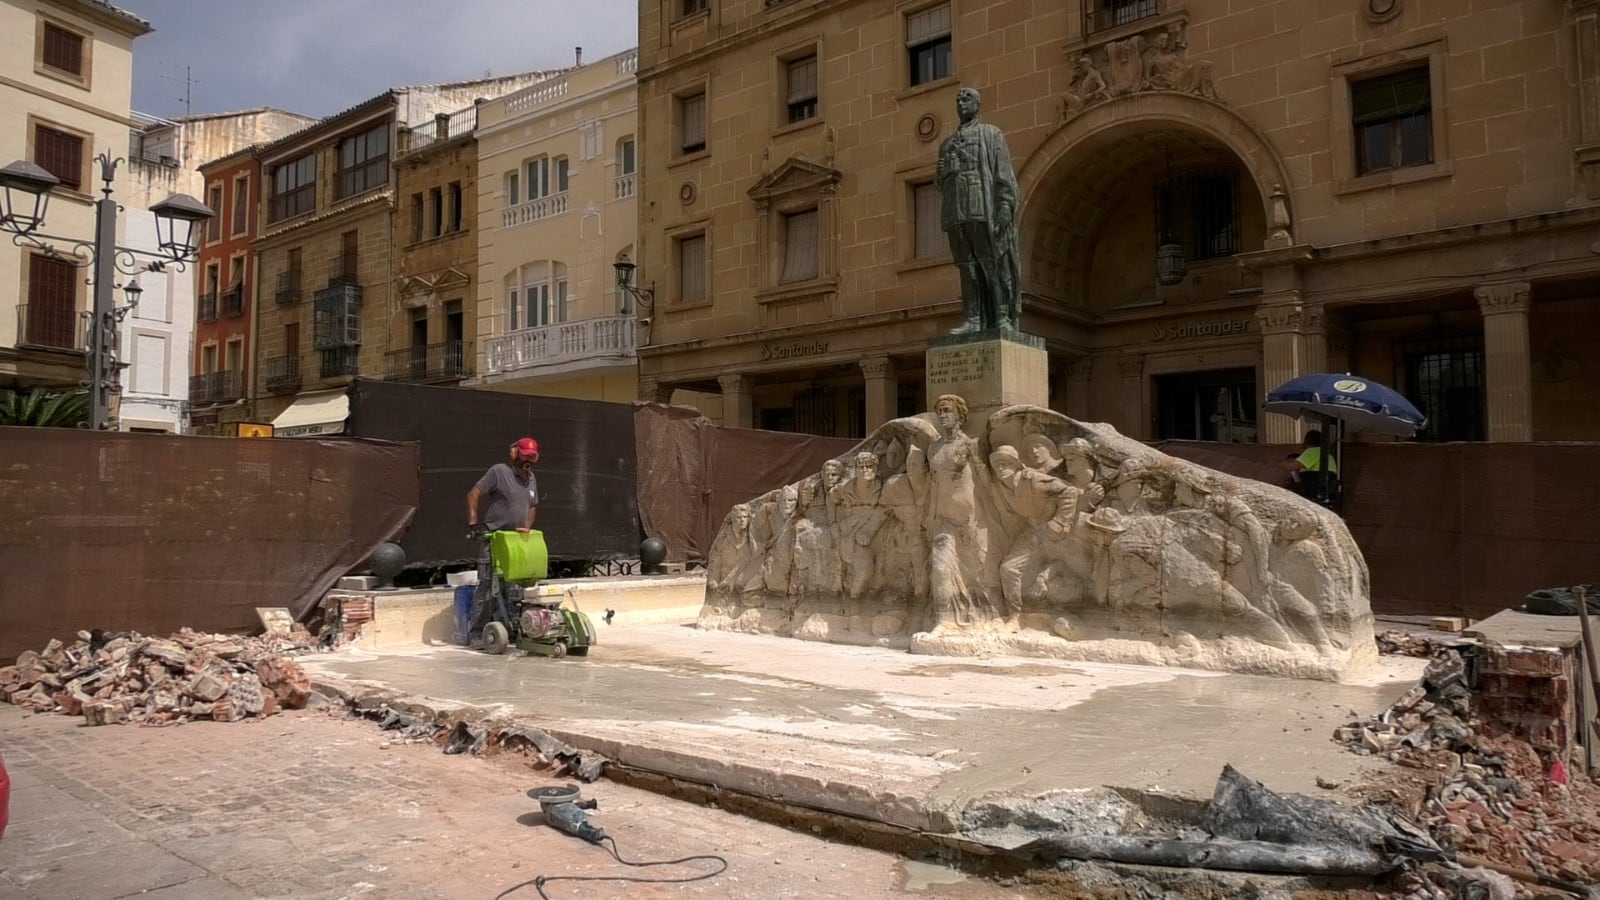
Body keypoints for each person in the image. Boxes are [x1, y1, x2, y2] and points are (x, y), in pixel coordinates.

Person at [936, 87, 1022, 334]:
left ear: (978, 105)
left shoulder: (991, 135)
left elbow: (1003, 173)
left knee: (991, 264)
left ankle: (1001, 316)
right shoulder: (947, 144)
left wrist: (1005, 206)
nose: (962, 103)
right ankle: (973, 318)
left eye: (967, 99)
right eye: (958, 100)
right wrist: (945, 173)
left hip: (982, 211)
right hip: (956, 213)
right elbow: (939, 183)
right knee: (967, 266)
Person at [464, 437, 540, 647]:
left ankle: (507, 628)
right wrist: (473, 525)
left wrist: (527, 527)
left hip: (515, 541)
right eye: (524, 456)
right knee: (487, 585)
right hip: (494, 538)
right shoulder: (499, 471)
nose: (528, 462)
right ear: (515, 453)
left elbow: (532, 505)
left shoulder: (531, 478)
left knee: (513, 586)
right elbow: (473, 493)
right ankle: (477, 633)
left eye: (532, 458)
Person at [1285, 429, 1338, 501]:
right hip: (1326, 489)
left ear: (1307, 443)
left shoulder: (1312, 451)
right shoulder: (1326, 454)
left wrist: (1278, 463)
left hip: (1314, 487)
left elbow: (1290, 467)